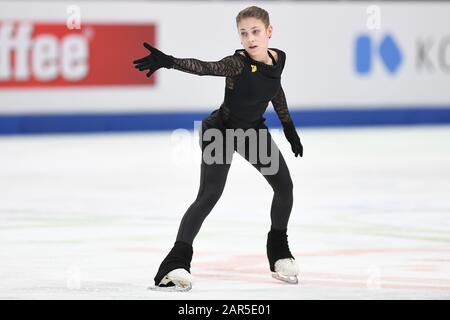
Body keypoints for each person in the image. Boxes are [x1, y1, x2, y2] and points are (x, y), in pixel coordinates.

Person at [133, 6, 303, 292]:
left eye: (256, 31)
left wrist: (288, 127)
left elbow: (275, 88)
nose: (250, 39)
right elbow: (206, 68)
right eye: (244, 33)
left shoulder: (279, 59)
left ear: (269, 32)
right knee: (209, 195)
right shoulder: (237, 64)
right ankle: (174, 264)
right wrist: (170, 61)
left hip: (251, 133)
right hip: (220, 132)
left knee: (285, 188)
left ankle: (279, 252)